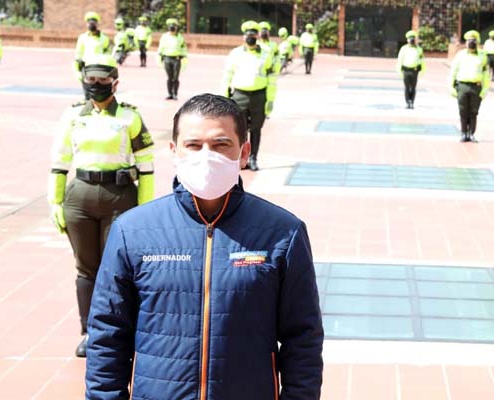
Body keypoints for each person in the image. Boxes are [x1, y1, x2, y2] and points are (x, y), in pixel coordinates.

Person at [85, 93, 323, 399]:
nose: (206, 155)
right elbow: (107, 334)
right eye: (193, 145)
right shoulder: (133, 231)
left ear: (243, 151)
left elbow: (303, 337)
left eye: (221, 144)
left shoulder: (282, 233)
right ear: (174, 150)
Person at [47, 55, 155, 358]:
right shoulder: (71, 117)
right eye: (90, 80)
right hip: (79, 198)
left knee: (119, 268)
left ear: (115, 83)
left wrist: (144, 208)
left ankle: (122, 330)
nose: (95, 86)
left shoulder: (130, 117)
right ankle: (90, 332)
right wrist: (55, 202)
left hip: (119, 196)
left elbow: (146, 167)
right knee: (86, 269)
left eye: (102, 81)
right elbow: (59, 162)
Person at [221, 20, 275, 172]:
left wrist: (270, 100)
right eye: (248, 34)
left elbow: (272, 79)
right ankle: (240, 159)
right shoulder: (235, 54)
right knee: (240, 129)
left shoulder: (266, 54)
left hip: (259, 96)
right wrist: (224, 96)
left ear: (257, 36)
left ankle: (253, 158)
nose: (250, 36)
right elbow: (227, 76)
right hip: (239, 95)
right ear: (243, 36)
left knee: (256, 129)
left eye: (253, 34)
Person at [449, 30, 489, 142]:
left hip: (476, 87)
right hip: (462, 86)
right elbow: (453, 71)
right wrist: (451, 87)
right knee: (463, 111)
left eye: (474, 40)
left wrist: (484, 90)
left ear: (478, 42)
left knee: (473, 112)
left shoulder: (483, 56)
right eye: (469, 40)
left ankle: (471, 133)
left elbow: (486, 74)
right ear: (465, 42)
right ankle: (463, 133)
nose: (471, 42)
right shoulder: (460, 55)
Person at [74, 12, 112, 99]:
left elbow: (108, 54)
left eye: (93, 22)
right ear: (86, 24)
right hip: (86, 68)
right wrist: (78, 68)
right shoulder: (82, 37)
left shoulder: (104, 38)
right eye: (89, 23)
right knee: (87, 94)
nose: (91, 24)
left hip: (99, 69)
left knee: (99, 94)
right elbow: (78, 53)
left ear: (97, 23)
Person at [158, 18, 188, 100]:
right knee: (169, 77)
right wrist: (160, 57)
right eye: (171, 27)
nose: (172, 28)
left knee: (176, 78)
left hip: (176, 59)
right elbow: (161, 47)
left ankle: (175, 94)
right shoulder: (165, 36)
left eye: (174, 26)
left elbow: (184, 48)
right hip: (167, 58)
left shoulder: (180, 37)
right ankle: (169, 93)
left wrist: (184, 56)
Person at [396, 30, 425, 109]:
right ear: (407, 40)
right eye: (410, 38)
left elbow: (422, 60)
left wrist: (423, 70)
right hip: (405, 71)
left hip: (414, 71)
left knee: (413, 87)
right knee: (406, 87)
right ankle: (407, 102)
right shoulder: (404, 49)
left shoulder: (419, 49)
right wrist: (399, 70)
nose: (411, 40)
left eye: (413, 38)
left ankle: (412, 102)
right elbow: (400, 60)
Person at [259, 21, 282, 117]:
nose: (264, 32)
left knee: (270, 95)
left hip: (270, 74)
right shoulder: (255, 45)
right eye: (262, 30)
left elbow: (277, 59)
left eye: (266, 30)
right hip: (258, 74)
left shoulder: (274, 45)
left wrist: (276, 70)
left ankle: (267, 113)